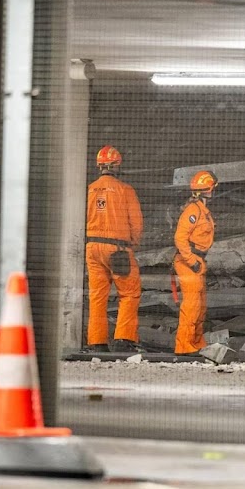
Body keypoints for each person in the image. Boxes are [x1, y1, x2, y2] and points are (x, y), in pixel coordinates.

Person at [85, 145, 144, 353]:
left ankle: (96, 343)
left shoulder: (89, 189)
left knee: (97, 296)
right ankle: (123, 340)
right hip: (118, 249)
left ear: (99, 166)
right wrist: (132, 244)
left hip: (92, 248)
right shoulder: (125, 190)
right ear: (117, 165)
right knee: (129, 293)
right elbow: (136, 224)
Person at [173, 170, 218, 355]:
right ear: (208, 189)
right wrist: (192, 261)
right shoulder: (193, 211)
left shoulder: (202, 210)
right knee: (191, 306)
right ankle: (184, 347)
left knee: (200, 307)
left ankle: (197, 343)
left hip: (197, 261)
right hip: (189, 261)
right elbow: (179, 238)